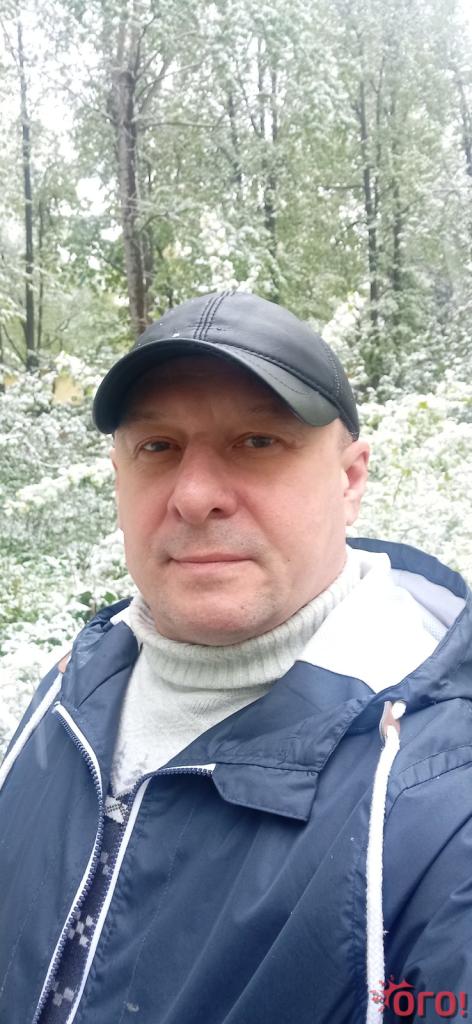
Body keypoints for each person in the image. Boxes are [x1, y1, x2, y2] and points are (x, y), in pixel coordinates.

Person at [0, 289, 471, 1024]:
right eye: (158, 447)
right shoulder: (69, 693)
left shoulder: (438, 798)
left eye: (258, 442)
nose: (194, 497)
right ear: (120, 476)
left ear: (350, 479)